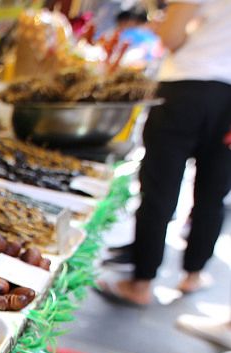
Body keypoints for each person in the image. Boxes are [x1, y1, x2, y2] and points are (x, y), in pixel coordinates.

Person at [99, 0, 231, 306]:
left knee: (159, 190)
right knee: (213, 194)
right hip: (228, 100)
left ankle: (141, 283)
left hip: (185, 87)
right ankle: (193, 275)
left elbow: (171, 35)